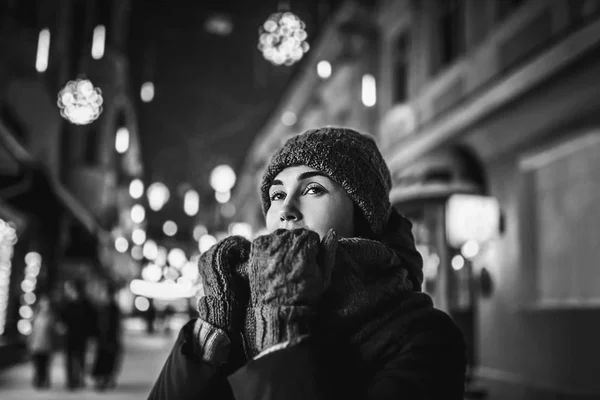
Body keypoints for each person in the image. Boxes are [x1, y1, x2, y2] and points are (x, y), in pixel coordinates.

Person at [148, 127, 467, 399]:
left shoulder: (426, 336)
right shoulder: (239, 314)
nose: (286, 209)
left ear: (362, 214)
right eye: (276, 195)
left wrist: (280, 337)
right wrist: (210, 335)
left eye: (313, 188)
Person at [60, 279, 96, 390]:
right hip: (70, 336)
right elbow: (61, 319)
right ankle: (71, 380)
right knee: (70, 359)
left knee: (81, 358)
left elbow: (91, 321)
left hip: (81, 336)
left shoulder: (86, 304)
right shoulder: (66, 304)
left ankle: (80, 379)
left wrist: (91, 335)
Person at [91, 284, 123, 391]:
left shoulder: (111, 308)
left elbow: (115, 325)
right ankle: (103, 379)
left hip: (109, 339)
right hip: (104, 339)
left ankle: (106, 379)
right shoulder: (104, 308)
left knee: (108, 360)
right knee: (104, 360)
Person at [28, 294, 56, 389]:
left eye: (46, 304)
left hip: (47, 345)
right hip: (36, 344)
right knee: (37, 364)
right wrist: (30, 342)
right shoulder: (35, 317)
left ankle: (44, 381)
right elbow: (32, 331)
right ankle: (38, 380)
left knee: (45, 364)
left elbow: (53, 331)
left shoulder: (51, 318)